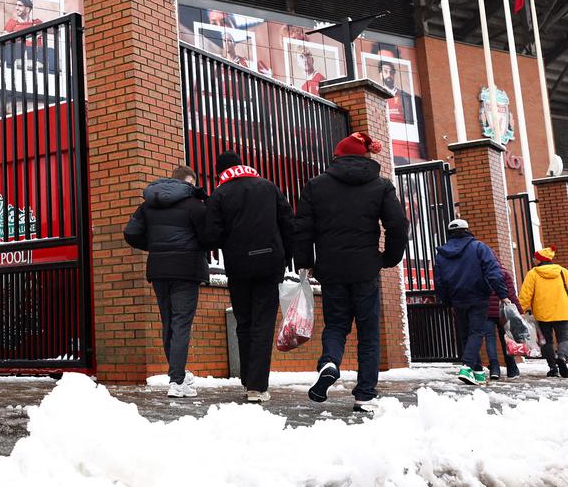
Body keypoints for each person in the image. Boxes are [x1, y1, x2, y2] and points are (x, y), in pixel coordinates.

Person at [294, 132, 408, 412]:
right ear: (365, 156)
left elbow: (302, 228)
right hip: (366, 268)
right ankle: (365, 394)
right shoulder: (381, 186)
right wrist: (389, 258)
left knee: (336, 325)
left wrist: (306, 262)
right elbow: (397, 225)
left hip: (331, 268)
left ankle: (329, 362)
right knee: (368, 332)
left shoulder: (316, 185)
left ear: (338, 157)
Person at [204, 151, 294, 403]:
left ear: (221, 171)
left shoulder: (220, 194)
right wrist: (285, 257)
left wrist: (230, 243)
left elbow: (211, 236)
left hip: (239, 266)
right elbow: (288, 223)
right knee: (263, 323)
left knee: (244, 322)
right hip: (270, 264)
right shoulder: (268, 186)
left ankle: (247, 379)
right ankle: (257, 386)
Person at [124, 165, 209, 398]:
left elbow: (130, 233)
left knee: (168, 322)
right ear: (188, 182)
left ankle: (177, 374)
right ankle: (177, 381)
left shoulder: (148, 205)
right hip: (186, 270)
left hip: (159, 270)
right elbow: (208, 236)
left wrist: (156, 247)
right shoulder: (194, 205)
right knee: (181, 324)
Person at [433, 218, 512, 386]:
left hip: (457, 299)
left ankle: (477, 372)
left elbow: (439, 281)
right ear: (467, 230)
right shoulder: (479, 247)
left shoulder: (442, 254)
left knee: (465, 334)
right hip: (478, 297)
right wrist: (503, 294)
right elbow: (494, 273)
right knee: (476, 333)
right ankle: (467, 366)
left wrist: (447, 301)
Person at [518, 246, 568, 378]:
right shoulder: (563, 272)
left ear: (540, 260)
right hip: (563, 312)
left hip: (542, 314)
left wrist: (520, 310)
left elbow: (526, 295)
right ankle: (562, 357)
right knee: (564, 338)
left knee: (546, 341)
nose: (533, 260)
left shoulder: (533, 274)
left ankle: (553, 368)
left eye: (535, 258)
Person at [483, 264, 522, 380]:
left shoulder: (481, 273)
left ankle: (494, 369)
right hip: (503, 312)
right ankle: (512, 368)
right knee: (506, 338)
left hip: (486, 311)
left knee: (490, 339)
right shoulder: (504, 273)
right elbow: (511, 294)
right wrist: (519, 311)